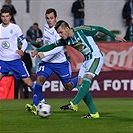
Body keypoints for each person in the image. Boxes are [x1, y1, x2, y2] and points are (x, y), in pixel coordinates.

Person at [31, 20, 126, 118]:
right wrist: (38, 50)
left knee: (86, 80)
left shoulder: (81, 30)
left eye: (61, 32)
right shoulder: (65, 40)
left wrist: (114, 37)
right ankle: (94, 113)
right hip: (86, 60)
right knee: (80, 85)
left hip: (96, 57)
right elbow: (51, 46)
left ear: (67, 29)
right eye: (58, 33)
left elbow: (99, 28)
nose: (60, 35)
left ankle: (73, 103)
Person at [25, 9, 78, 115]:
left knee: (68, 86)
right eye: (47, 18)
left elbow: (59, 47)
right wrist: (42, 39)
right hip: (47, 62)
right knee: (39, 80)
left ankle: (82, 77)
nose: (49, 20)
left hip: (60, 63)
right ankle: (36, 105)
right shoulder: (46, 26)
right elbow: (48, 39)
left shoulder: (59, 30)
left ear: (56, 18)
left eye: (51, 18)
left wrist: (45, 54)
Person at [0, 7, 35, 99]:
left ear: (10, 17)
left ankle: (41, 99)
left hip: (15, 60)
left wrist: (22, 50)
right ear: (1, 17)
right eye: (3, 16)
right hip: (2, 61)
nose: (5, 18)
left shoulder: (15, 28)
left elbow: (24, 42)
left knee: (28, 82)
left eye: (7, 16)